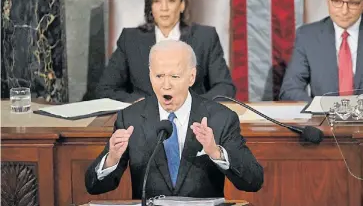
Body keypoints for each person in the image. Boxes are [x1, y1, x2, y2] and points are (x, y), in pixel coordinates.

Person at [85, 40, 264, 199]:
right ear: (150, 75)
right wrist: (112, 158)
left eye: (174, 76)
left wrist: (216, 152)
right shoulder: (130, 118)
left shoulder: (220, 118)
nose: (166, 84)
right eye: (159, 76)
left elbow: (253, 181)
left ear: (191, 77)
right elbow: (93, 186)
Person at [96, 0, 235, 102]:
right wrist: (138, 103)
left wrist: (192, 105)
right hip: (144, 119)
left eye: (171, 1)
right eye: (157, 1)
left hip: (193, 120)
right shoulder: (130, 39)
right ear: (150, 7)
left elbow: (225, 88)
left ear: (182, 5)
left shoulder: (205, 37)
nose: (164, 8)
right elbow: (105, 89)